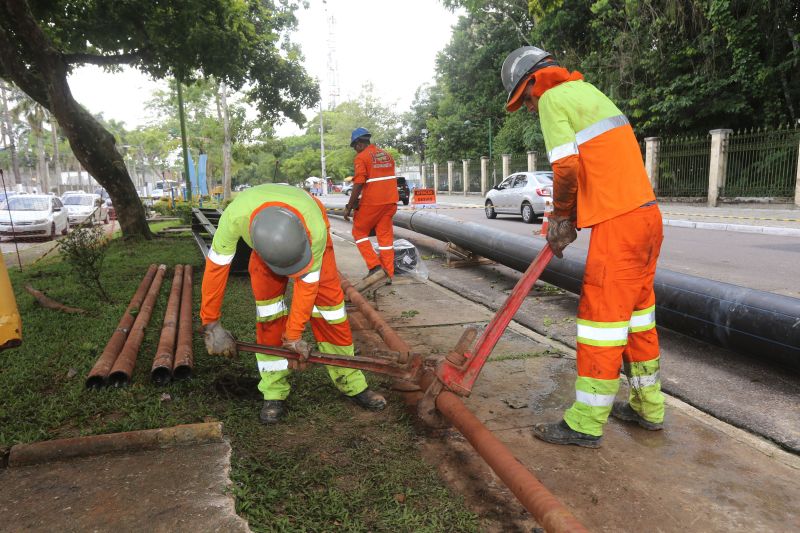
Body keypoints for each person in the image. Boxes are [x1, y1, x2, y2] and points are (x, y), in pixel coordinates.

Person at [501, 46, 665, 448]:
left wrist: (559, 215)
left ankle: (586, 423)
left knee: (601, 325)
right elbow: (600, 165)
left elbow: (567, 166)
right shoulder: (590, 93)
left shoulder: (553, 98)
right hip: (646, 217)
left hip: (619, 226)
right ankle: (650, 408)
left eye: (525, 98)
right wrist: (573, 216)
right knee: (638, 320)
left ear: (535, 81)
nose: (527, 107)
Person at [200, 183, 386, 424]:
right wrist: (211, 324)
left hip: (313, 244)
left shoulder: (315, 231)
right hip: (264, 256)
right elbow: (216, 268)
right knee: (269, 315)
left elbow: (307, 286)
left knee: (331, 313)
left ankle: (351, 383)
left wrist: (293, 336)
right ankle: (273, 391)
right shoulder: (234, 217)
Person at [343, 127, 398, 288]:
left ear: (359, 143)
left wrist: (350, 206)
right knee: (385, 239)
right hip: (390, 202)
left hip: (373, 203)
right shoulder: (386, 155)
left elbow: (359, 182)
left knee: (358, 232)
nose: (355, 149)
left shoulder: (361, 157)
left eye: (354, 146)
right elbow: (378, 179)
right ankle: (388, 274)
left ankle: (375, 267)